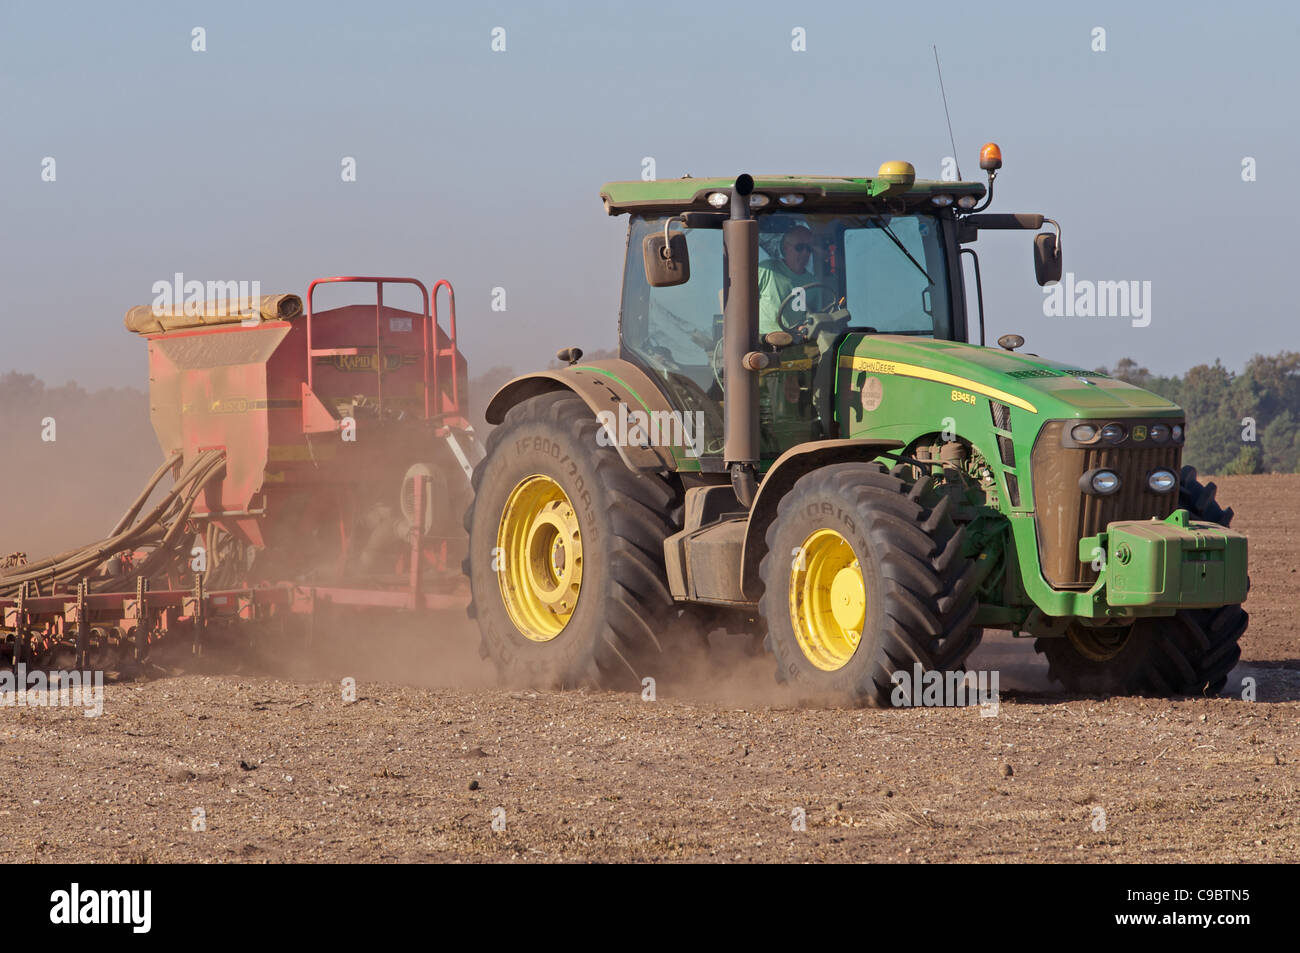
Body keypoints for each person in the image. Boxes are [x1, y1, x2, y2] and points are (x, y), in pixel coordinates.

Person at [757, 225, 822, 335]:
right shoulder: (767, 270)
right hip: (765, 344)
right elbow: (740, 303)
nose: (805, 253)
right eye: (800, 247)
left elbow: (815, 318)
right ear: (786, 247)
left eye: (809, 249)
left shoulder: (813, 283)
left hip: (799, 345)